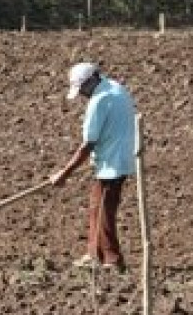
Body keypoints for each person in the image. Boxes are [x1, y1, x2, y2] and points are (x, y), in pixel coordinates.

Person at [49, 62, 136, 272]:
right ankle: (94, 254)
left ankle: (112, 260)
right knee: (97, 207)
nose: (81, 95)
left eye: (82, 90)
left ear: (92, 80)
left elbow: (88, 144)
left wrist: (64, 173)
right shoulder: (114, 87)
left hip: (112, 164)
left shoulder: (99, 100)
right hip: (118, 158)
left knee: (104, 211)